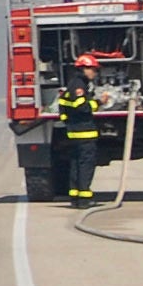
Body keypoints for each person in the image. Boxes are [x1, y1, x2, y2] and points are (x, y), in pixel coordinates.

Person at [55, 55, 103, 207]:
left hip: (74, 132)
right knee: (85, 165)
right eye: (93, 70)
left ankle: (75, 197)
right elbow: (82, 107)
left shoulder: (73, 84)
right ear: (84, 69)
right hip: (84, 132)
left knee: (76, 164)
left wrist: (67, 121)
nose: (94, 73)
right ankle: (84, 199)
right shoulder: (79, 85)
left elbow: (63, 106)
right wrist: (99, 103)